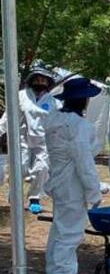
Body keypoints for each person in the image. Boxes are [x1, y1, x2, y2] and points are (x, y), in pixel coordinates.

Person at [35, 77, 102, 274]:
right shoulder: (79, 126)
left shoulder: (54, 120)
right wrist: (94, 192)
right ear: (84, 100)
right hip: (73, 184)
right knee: (70, 233)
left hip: (58, 181)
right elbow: (84, 162)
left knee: (59, 230)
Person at [0, 67, 56, 213]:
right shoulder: (21, 96)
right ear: (31, 81)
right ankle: (14, 193)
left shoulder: (53, 101)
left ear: (48, 83)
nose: (40, 82)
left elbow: (58, 121)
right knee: (20, 167)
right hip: (23, 138)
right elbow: (8, 116)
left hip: (43, 140)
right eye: (37, 79)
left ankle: (34, 198)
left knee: (42, 168)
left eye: (43, 80)